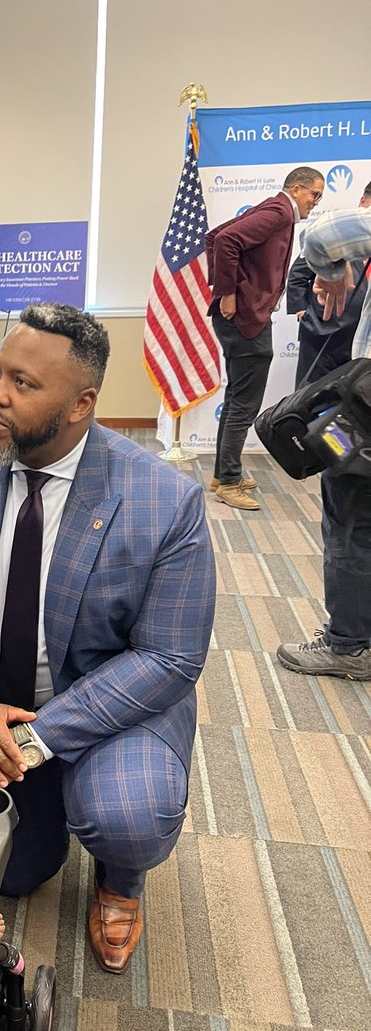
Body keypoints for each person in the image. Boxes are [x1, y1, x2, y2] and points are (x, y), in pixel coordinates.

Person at [0, 303, 215, 973]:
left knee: (126, 814)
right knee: (15, 873)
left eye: (24, 384)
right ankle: (39, 809)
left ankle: (121, 879)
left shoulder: (163, 501)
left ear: (81, 404)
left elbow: (169, 656)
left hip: (114, 708)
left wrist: (36, 740)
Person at [276, 202, 371, 681]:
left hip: (366, 414)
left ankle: (349, 645)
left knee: (349, 520)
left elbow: (322, 235)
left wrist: (331, 272)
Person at [206, 166, 325, 510]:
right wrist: (228, 293)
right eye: (314, 195)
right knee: (244, 404)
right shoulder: (278, 211)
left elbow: (214, 236)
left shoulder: (274, 209)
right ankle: (228, 483)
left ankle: (223, 472)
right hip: (245, 320)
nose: (316, 203)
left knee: (237, 400)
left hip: (243, 318)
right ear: (297, 188)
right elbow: (224, 241)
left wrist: (226, 290)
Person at [286, 181, 371, 387]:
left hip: (353, 335)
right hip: (325, 330)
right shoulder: (343, 240)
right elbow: (299, 273)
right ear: (362, 202)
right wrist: (301, 311)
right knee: (311, 396)